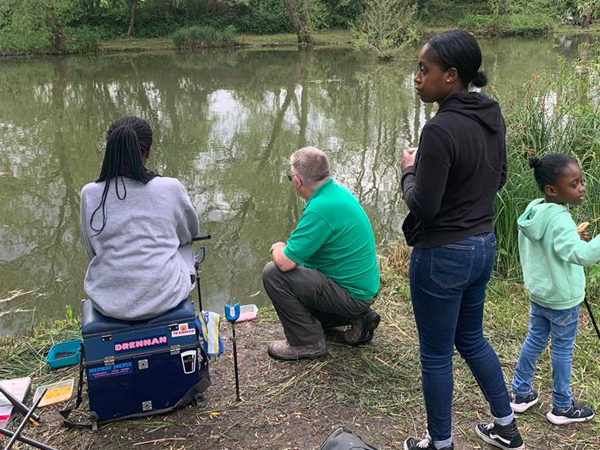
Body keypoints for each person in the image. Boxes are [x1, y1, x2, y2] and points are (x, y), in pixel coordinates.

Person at [400, 31, 524, 450]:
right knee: (471, 338)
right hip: (482, 245)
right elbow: (500, 177)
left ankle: (440, 444)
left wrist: (409, 171)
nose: (417, 77)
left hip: (441, 255)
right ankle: (506, 426)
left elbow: (425, 207)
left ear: (450, 76)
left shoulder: (439, 129)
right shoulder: (491, 114)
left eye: (424, 69)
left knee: (436, 355)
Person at [262, 146, 380, 361]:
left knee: (273, 273)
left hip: (351, 294)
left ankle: (307, 343)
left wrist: (276, 246)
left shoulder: (320, 208)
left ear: (297, 181)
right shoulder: (336, 193)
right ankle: (361, 318)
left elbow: (285, 262)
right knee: (302, 307)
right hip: (362, 292)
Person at [80, 116, 199, 321]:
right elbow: (189, 233)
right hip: (166, 297)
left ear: (110, 151)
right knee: (185, 246)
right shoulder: (170, 187)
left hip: (108, 302)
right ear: (148, 150)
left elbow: (92, 250)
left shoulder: (89, 193)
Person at [510, 154, 595, 425]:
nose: (581, 188)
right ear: (552, 190)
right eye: (573, 184)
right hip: (562, 299)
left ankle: (520, 393)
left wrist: (572, 235)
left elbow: (554, 244)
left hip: (540, 294)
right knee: (562, 350)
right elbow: (581, 256)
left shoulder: (535, 211)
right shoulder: (559, 219)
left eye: (581, 182)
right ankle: (562, 406)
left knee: (534, 339)